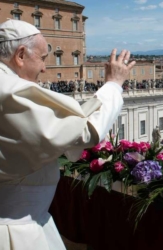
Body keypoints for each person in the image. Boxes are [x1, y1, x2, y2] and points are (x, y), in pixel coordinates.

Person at [0, 19, 135, 250]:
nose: (44, 68)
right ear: (20, 55)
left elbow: (64, 123)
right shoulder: (11, 92)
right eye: (42, 59)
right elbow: (84, 132)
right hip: (16, 231)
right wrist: (113, 85)